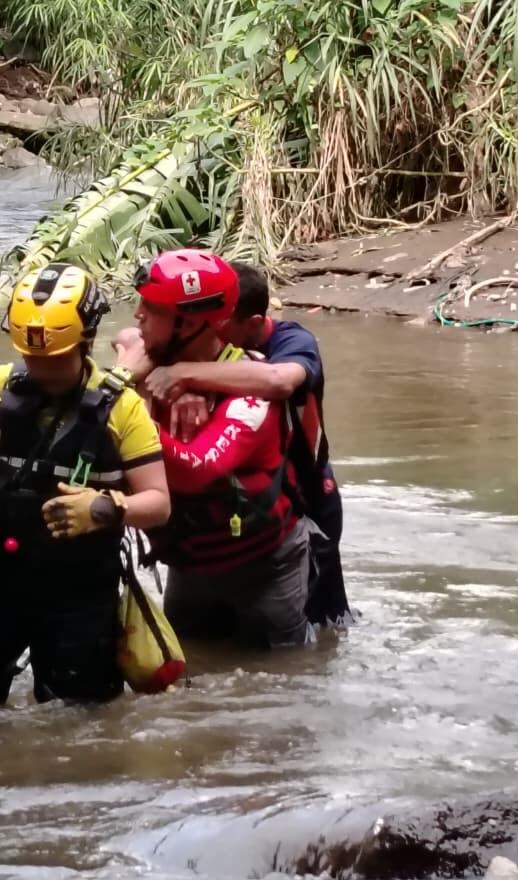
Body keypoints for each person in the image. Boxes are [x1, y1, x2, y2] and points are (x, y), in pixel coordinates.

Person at [0, 263, 171, 715]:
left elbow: (158, 503)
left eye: (57, 357)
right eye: (32, 357)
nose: (42, 368)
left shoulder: (124, 410)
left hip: (77, 591)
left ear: (86, 341)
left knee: (79, 718)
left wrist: (105, 508)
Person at [119, 262, 352, 628]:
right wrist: (153, 380)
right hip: (197, 553)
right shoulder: (173, 351)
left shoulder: (288, 346)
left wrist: (182, 377)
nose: (139, 315)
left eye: (155, 309)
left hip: (301, 499)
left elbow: (277, 381)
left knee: (327, 618)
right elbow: (129, 337)